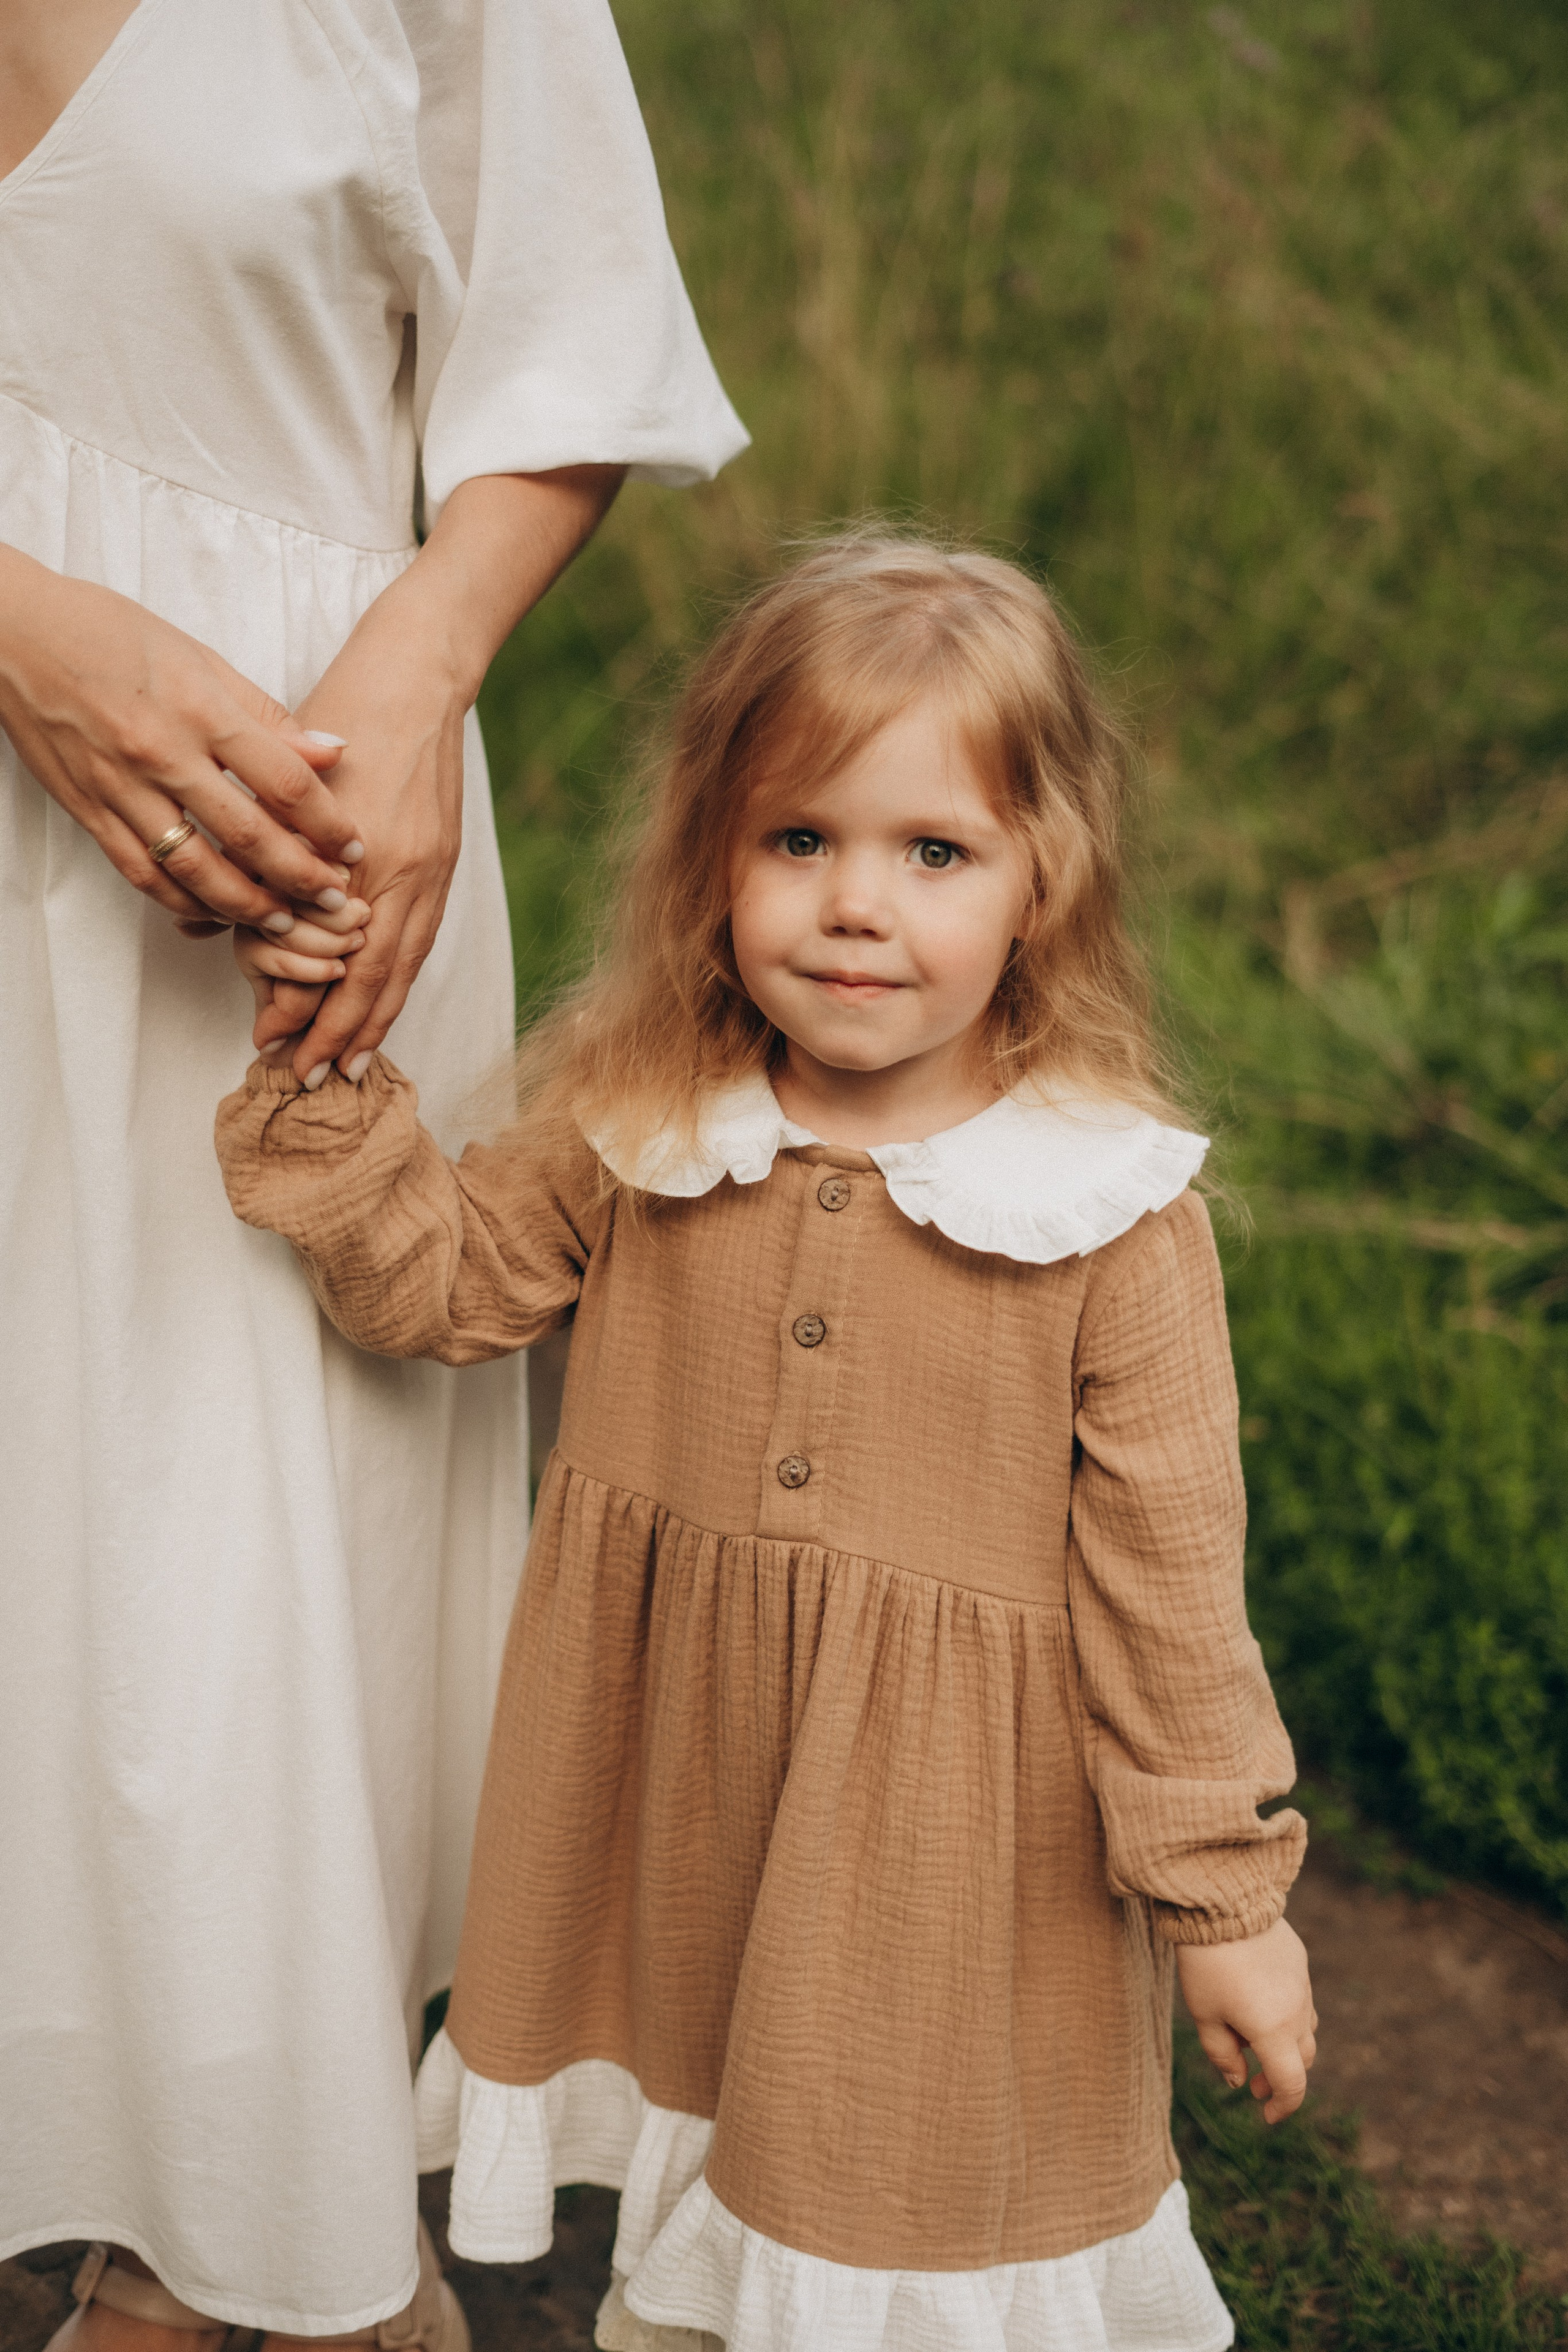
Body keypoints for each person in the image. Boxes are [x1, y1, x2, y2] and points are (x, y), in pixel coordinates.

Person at [214, 537, 1315, 2352]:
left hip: (957, 1847)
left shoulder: (1105, 1214)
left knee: (893, 2188)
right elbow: (453, 1288)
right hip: (693, 1797)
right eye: (800, 841)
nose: (855, 905)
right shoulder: (649, 1115)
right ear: (714, 857)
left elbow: (1172, 1600)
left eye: (933, 853)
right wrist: (331, 1095)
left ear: (1047, 882)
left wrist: (1225, 1905)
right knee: (713, 2181)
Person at [0, 0, 745, 2342]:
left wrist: (419, 683)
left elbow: (567, 337)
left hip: (290, 826)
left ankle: (217, 2241)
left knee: (230, 1555)